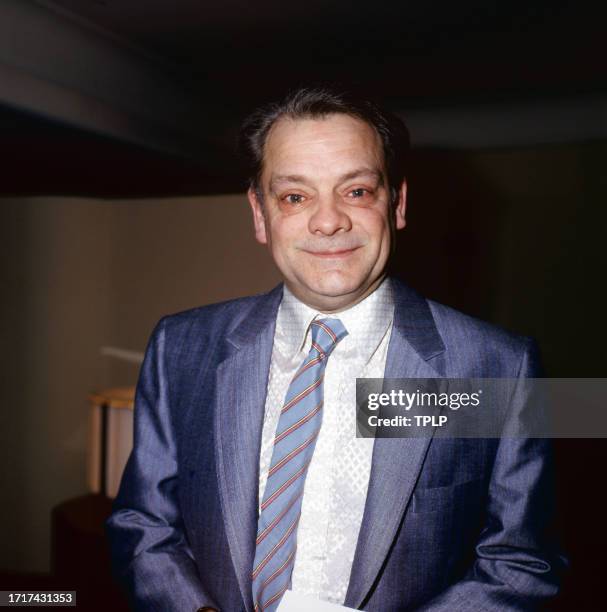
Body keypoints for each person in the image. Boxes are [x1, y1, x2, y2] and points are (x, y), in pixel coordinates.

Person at [106, 87, 563, 611]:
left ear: (398, 202)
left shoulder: (497, 368)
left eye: (357, 192)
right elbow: (143, 526)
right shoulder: (181, 347)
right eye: (295, 196)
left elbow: (522, 563)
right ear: (260, 214)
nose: (328, 222)